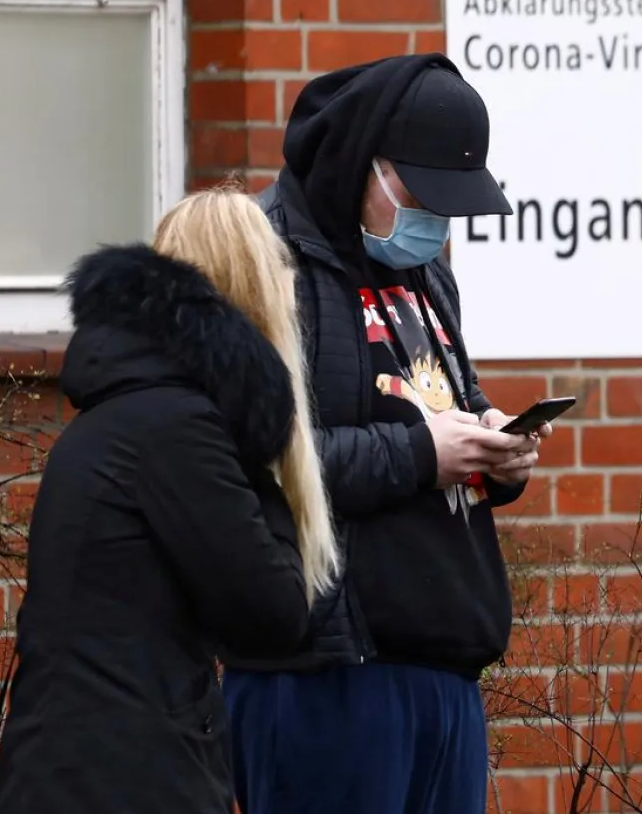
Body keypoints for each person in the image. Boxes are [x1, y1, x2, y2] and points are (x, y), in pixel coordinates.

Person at [222, 53, 548, 814]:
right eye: (423, 195)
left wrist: (496, 446)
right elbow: (257, 460)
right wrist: (422, 454)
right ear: (366, 161)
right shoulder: (270, 259)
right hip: (327, 675)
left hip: (443, 664)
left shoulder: (422, 269)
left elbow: (446, 397)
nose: (435, 222)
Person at [0, 190, 340, 814]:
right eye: (280, 266)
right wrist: (262, 434)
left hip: (82, 774)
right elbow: (274, 614)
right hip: (126, 783)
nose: (294, 287)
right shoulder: (176, 431)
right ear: (249, 291)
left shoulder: (128, 412)